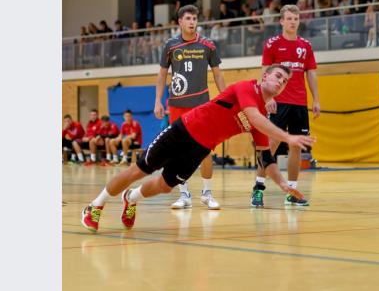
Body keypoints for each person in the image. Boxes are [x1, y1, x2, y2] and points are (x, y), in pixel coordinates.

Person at [81, 66, 315, 233]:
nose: (280, 82)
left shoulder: (263, 118)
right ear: (265, 77)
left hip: (199, 149)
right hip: (182, 131)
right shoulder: (246, 88)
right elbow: (252, 114)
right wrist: (287, 137)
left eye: (284, 82)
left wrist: (283, 184)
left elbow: (265, 157)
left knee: (164, 186)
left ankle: (130, 198)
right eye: (277, 76)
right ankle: (95, 205)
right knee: (140, 169)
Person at [154, 5, 227, 210]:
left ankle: (207, 193)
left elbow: (218, 75)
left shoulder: (207, 45)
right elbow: (161, 75)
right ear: (180, 22)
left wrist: (225, 99)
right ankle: (184, 195)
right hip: (177, 106)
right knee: (177, 152)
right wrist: (158, 101)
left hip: (202, 105)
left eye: (194, 18)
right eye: (188, 18)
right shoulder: (170, 45)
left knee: (205, 150)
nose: (192, 22)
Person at [253, 4, 321, 207]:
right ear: (281, 21)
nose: (293, 22)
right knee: (270, 146)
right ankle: (258, 189)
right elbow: (265, 73)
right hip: (278, 102)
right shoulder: (272, 44)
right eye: (289, 18)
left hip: (299, 103)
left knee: (296, 146)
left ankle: (292, 191)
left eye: (296, 18)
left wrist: (316, 99)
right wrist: (267, 97)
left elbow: (311, 73)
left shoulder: (306, 46)